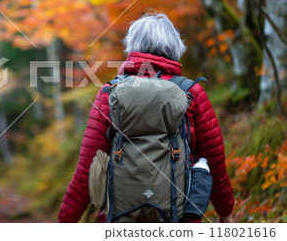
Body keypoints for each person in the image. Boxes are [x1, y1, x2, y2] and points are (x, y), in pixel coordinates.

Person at [58, 11, 235, 223]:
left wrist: (65, 221)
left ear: (132, 47)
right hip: (180, 219)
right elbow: (213, 161)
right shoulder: (191, 93)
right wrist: (225, 210)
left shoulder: (109, 94)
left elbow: (87, 169)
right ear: (175, 48)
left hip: (119, 219)